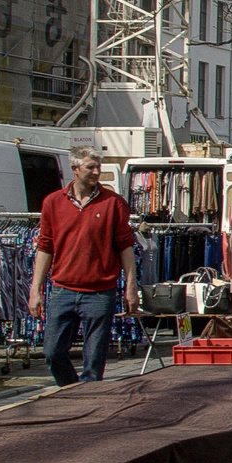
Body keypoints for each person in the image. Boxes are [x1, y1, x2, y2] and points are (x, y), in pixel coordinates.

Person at [30, 146, 138, 385]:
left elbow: (125, 247)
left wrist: (131, 286)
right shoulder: (53, 203)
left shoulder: (114, 204)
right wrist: (35, 289)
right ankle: (70, 389)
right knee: (52, 352)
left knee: (94, 360)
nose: (96, 172)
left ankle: (86, 400)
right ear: (75, 169)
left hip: (100, 292)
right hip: (63, 289)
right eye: (91, 167)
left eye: (98, 167)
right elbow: (45, 246)